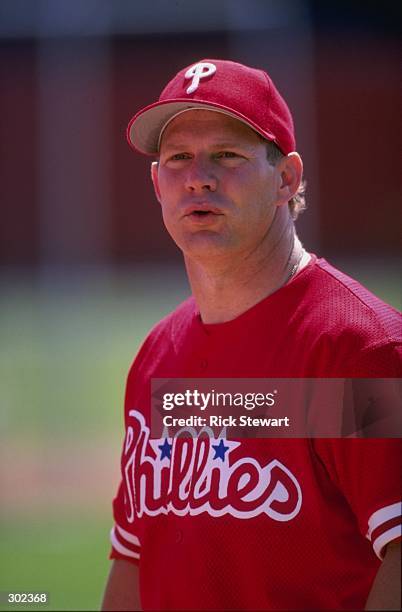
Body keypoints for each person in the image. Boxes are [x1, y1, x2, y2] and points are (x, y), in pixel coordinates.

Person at [101, 59, 401, 611]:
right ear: (156, 183)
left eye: (227, 155)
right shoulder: (156, 359)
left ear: (286, 178)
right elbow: (134, 561)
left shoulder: (358, 349)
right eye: (178, 158)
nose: (199, 176)